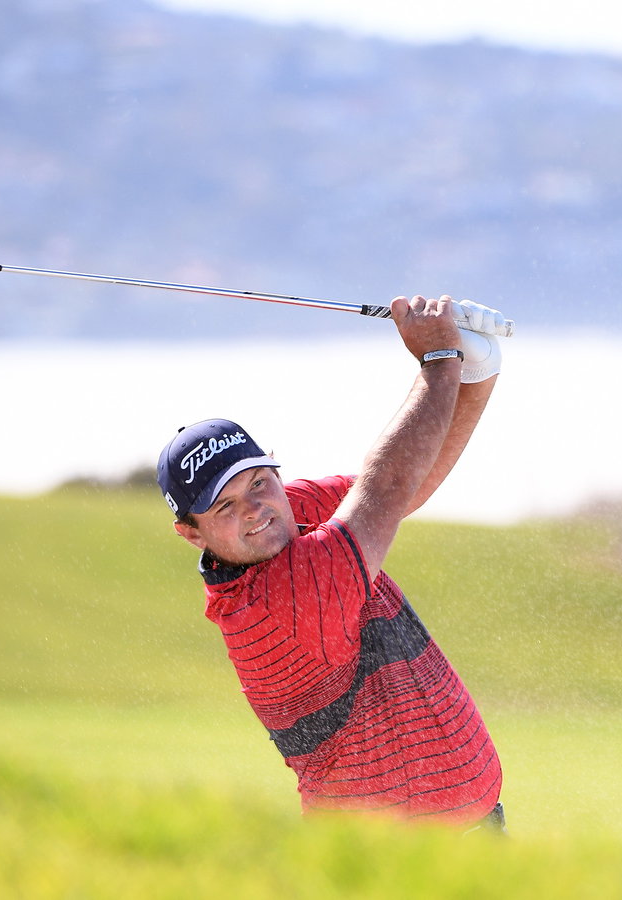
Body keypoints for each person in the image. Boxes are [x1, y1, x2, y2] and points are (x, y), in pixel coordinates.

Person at [156, 294, 507, 832]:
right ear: (190, 534)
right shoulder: (276, 605)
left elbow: (404, 481)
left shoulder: (284, 516)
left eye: (258, 482)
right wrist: (438, 361)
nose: (255, 509)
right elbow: (386, 486)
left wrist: (474, 370)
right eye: (224, 505)